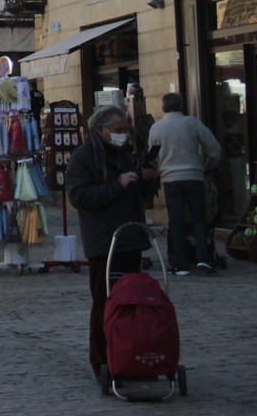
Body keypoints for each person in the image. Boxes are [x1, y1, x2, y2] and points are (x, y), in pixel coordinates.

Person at [66, 104, 159, 379]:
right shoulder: (85, 156)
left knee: (133, 302)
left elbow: (137, 194)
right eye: (118, 131)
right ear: (101, 130)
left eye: (126, 130)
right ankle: (103, 360)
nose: (124, 136)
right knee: (105, 302)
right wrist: (117, 186)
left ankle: (130, 354)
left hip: (129, 237)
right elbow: (79, 197)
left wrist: (147, 180)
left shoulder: (124, 154)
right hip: (104, 241)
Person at [148, 92, 223, 276]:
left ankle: (180, 264)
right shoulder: (192, 123)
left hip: (171, 179)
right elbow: (214, 149)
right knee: (199, 219)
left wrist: (160, 168)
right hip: (194, 176)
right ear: (181, 106)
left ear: (163, 107)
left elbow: (152, 156)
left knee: (176, 221)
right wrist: (206, 166)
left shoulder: (157, 128)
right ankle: (203, 259)